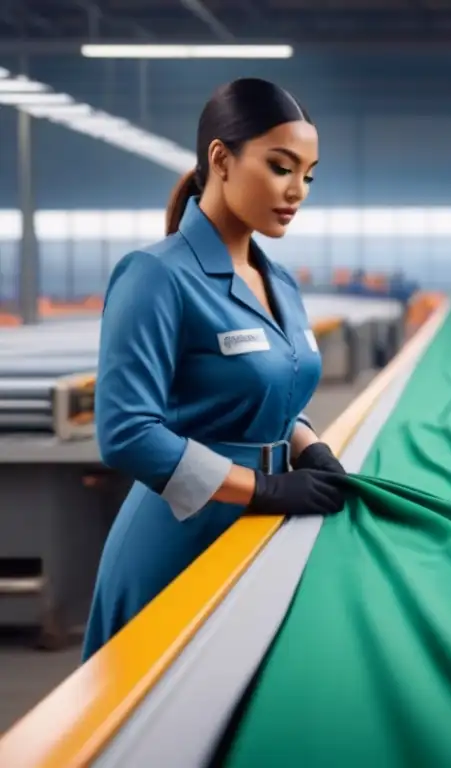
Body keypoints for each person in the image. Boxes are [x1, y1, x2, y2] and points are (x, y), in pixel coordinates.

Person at [83, 78, 353, 662]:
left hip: (260, 521)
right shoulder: (156, 276)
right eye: (281, 167)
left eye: (308, 174)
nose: (297, 190)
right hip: (181, 536)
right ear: (221, 160)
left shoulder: (277, 280)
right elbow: (127, 433)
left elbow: (277, 388)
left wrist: (309, 448)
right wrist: (265, 487)